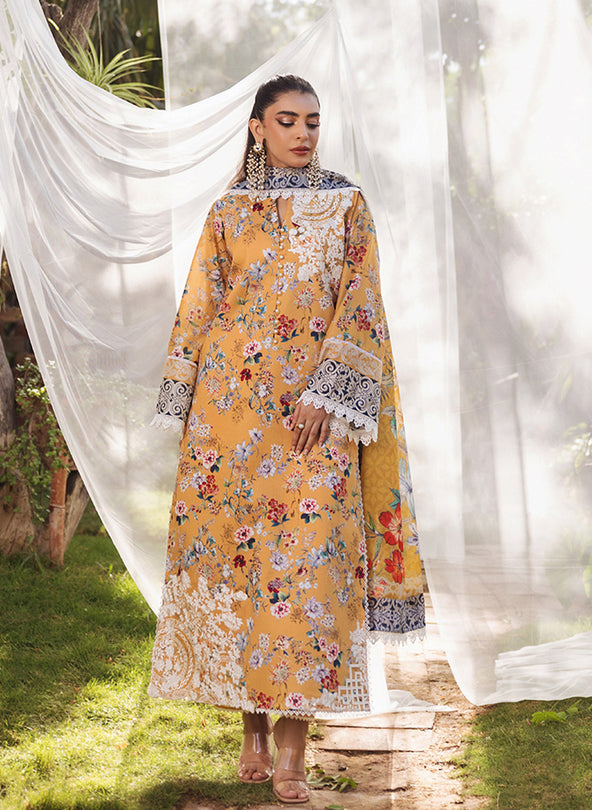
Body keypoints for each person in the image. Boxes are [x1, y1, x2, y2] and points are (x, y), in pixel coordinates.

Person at [148, 74, 425, 804]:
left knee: (308, 574)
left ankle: (294, 749)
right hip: (230, 417)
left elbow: (362, 305)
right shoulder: (227, 212)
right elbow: (200, 305)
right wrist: (184, 394)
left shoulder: (346, 205)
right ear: (258, 128)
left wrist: (327, 392)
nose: (303, 133)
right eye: (288, 120)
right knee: (240, 564)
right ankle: (252, 729)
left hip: (317, 417)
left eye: (313, 121)